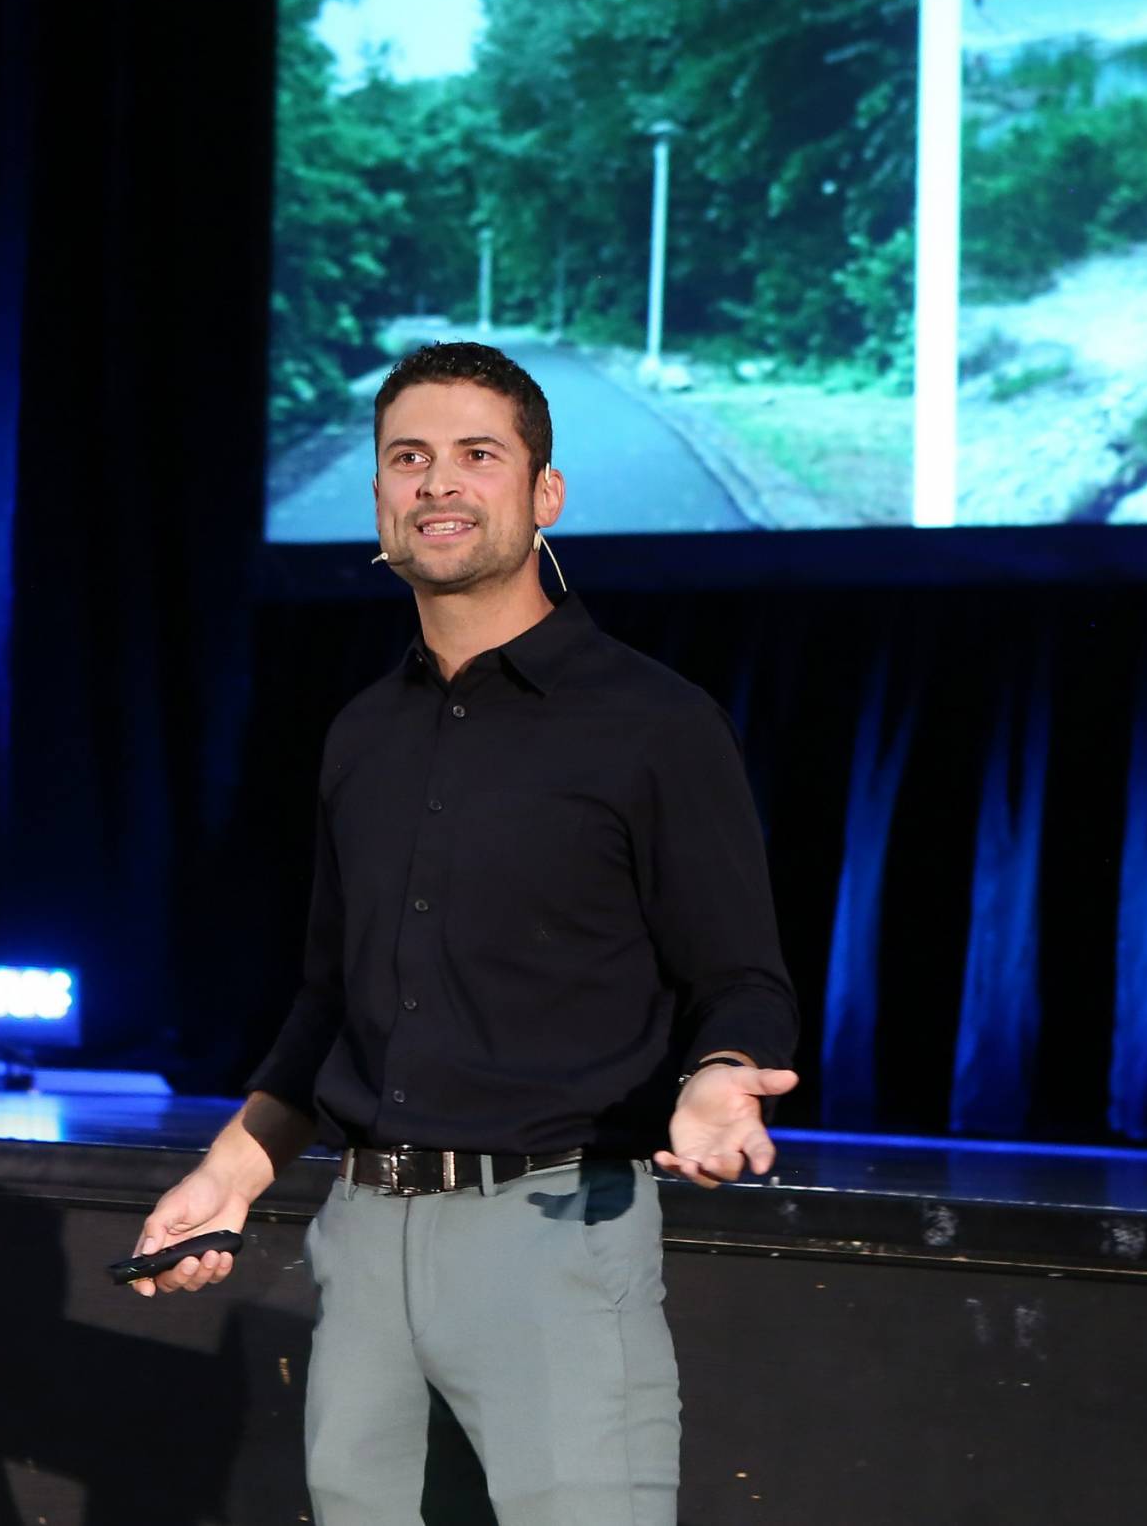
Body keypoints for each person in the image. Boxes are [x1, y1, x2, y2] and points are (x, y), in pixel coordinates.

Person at [128, 342, 800, 1525]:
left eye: (476, 455)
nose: (436, 481)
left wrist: (719, 1074)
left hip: (553, 1229)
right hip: (364, 1235)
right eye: (408, 458)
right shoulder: (361, 734)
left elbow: (739, 974)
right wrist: (229, 1172)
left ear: (545, 492)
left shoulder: (653, 722)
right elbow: (331, 1002)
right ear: (380, 500)